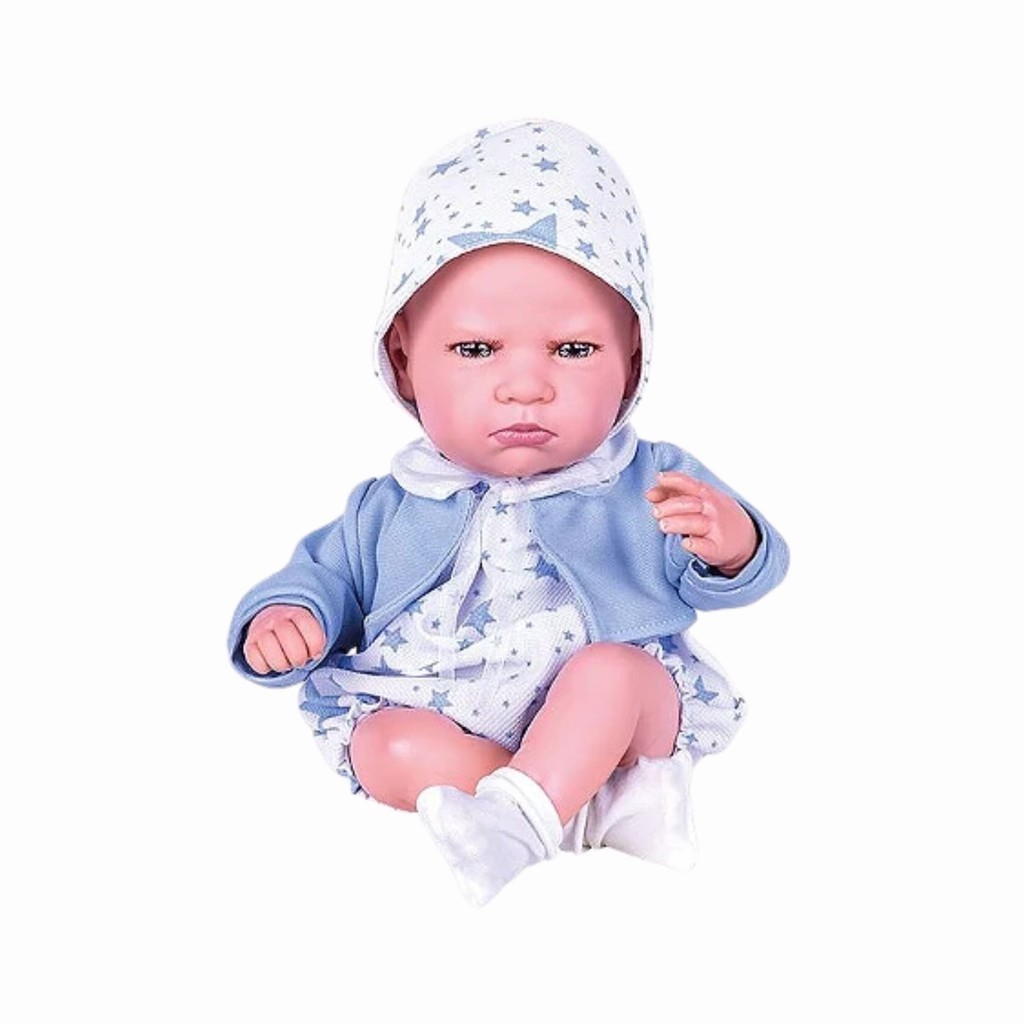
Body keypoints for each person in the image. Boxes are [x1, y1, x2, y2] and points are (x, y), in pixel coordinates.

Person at [227, 118, 789, 905]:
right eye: (476, 349)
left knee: (614, 675)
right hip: (449, 716)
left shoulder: (645, 479)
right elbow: (326, 576)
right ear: (403, 360)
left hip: (616, 721)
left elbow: (745, 566)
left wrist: (732, 543)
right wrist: (290, 614)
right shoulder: (396, 502)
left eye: (573, 350)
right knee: (384, 745)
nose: (526, 386)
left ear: (632, 356)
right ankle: (565, 809)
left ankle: (527, 816)